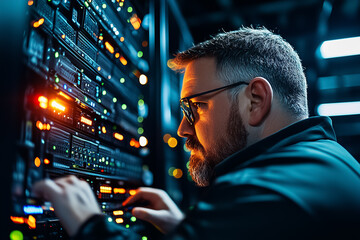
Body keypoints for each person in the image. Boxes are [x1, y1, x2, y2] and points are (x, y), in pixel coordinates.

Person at [33, 26, 360, 239]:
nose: (182, 128)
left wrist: (90, 226)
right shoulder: (327, 162)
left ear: (255, 100)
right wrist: (189, 231)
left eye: (195, 108)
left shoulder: (265, 190)